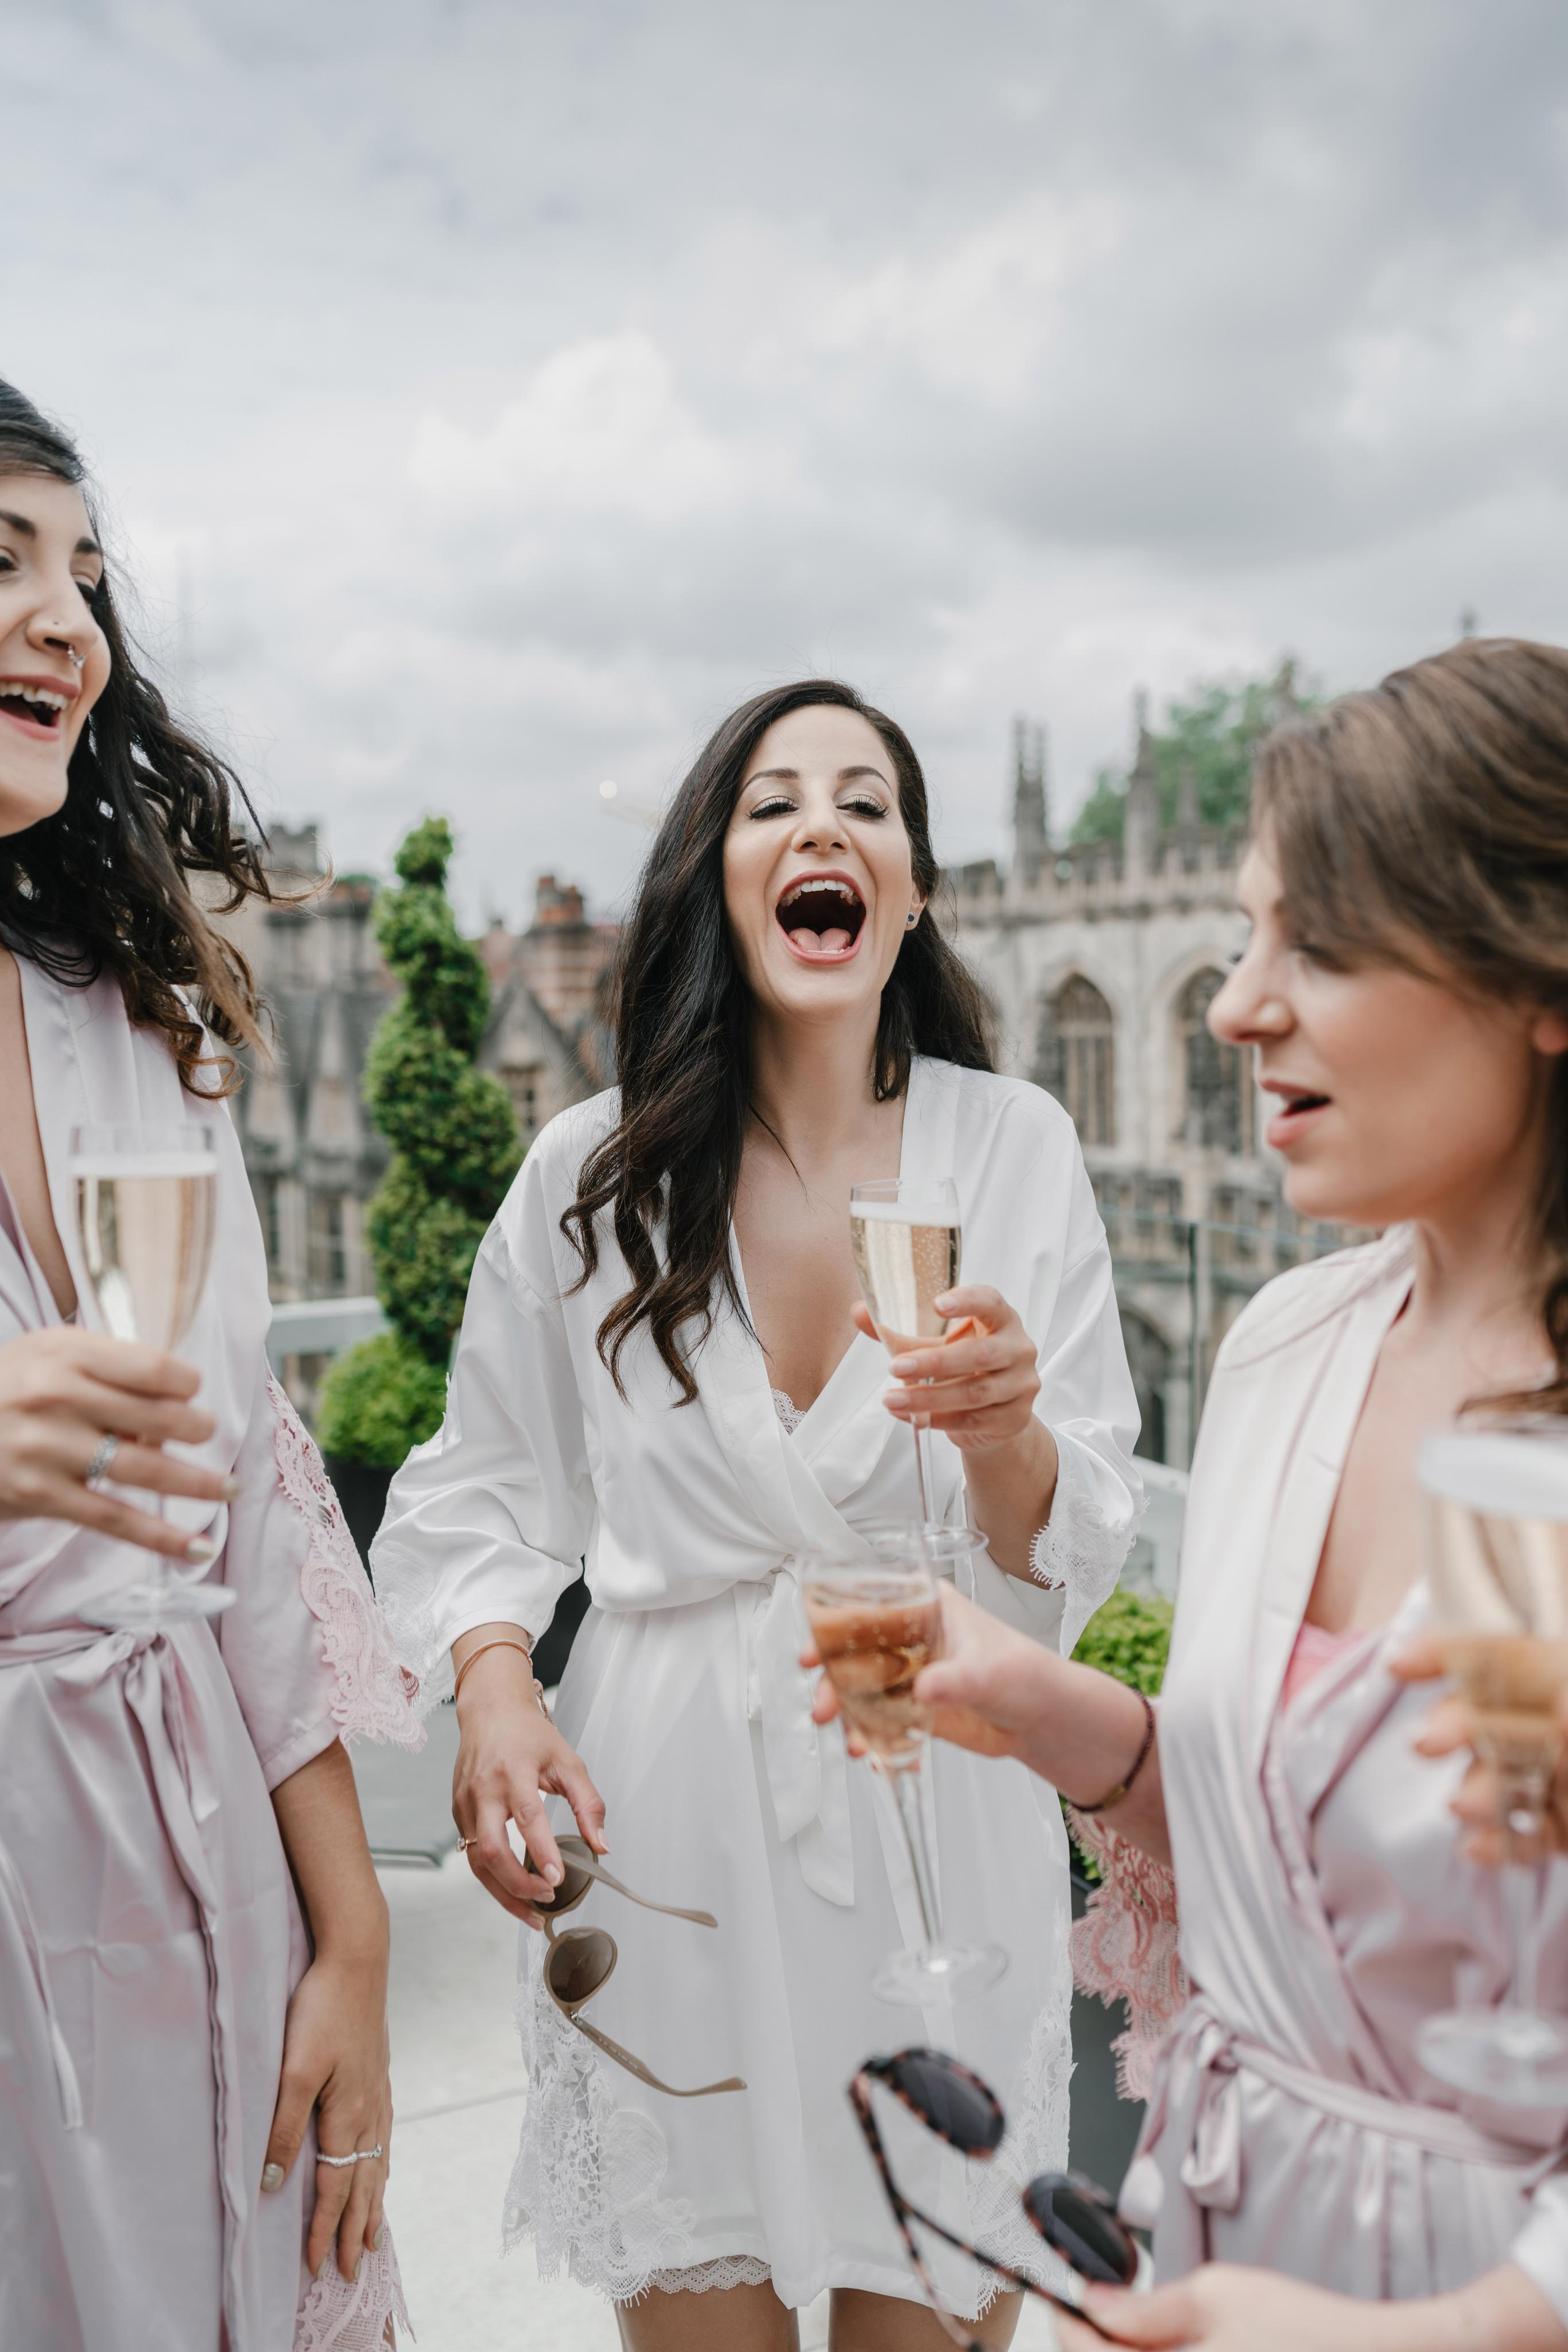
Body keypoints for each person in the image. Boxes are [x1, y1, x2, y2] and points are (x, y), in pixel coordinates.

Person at [372, 680, 1143, 2350]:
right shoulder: (590, 1173)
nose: (824, 828)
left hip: (935, 1806)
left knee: (930, 2302)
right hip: (663, 1825)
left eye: (868, 803)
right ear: (716, 876)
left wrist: (1007, 1435)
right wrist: (495, 1690)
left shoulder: (1015, 1147)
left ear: (914, 891)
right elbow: (482, 1482)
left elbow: (1070, 1538)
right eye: (774, 802)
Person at [819, 638, 1568, 2352]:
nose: (1237, 1008)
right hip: (1222, 2246)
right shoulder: (1287, 1345)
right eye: (1239, 942)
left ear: (1540, 972)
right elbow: (1294, 1876)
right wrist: (1058, 1716)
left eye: (1321, 945)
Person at [0, 380, 421, 2351]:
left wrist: (355, 1937)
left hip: (204, 1859)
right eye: (2, 559)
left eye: (84, 574)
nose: (65, 618)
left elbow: (246, 1506)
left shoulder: (134, 1014)